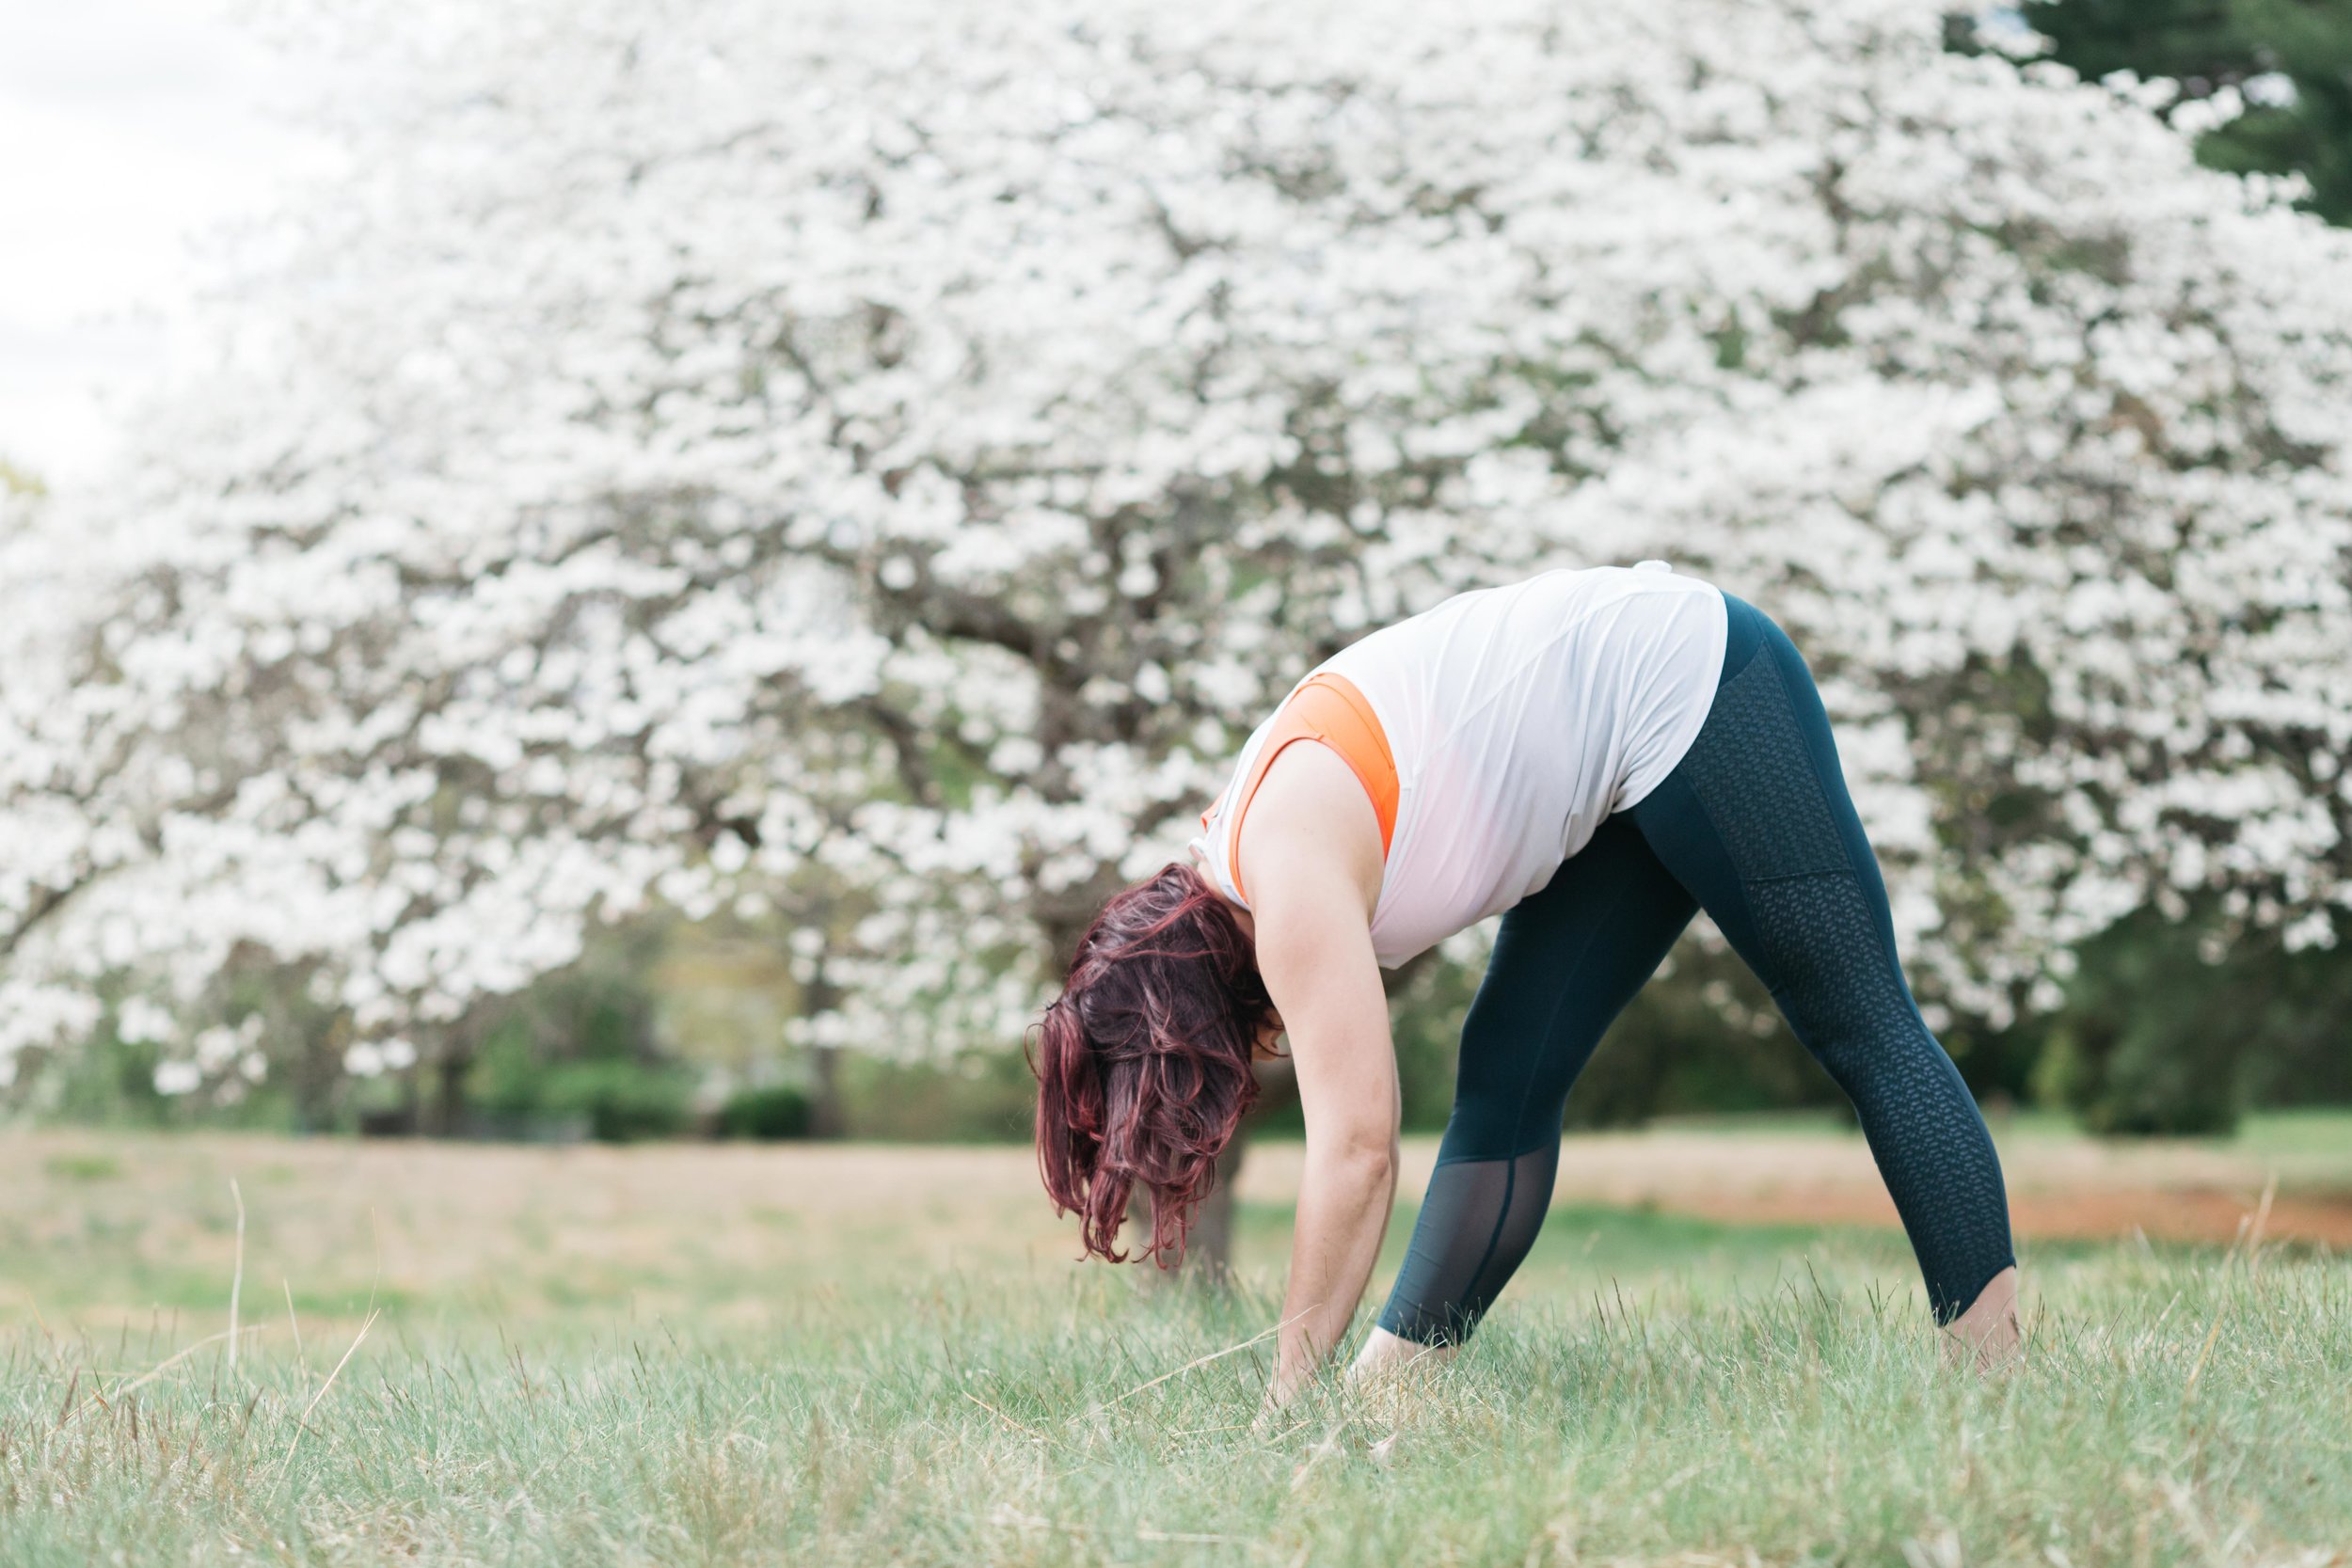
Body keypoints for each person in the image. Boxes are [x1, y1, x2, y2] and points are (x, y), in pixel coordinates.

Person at [1031, 562, 2022, 1405]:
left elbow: (1359, 1149)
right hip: (1609, 780)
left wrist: (1285, 1392)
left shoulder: (1279, 877)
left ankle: (1995, 1377)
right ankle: (1395, 1395)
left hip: (1700, 683)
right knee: (1507, 1073)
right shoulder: (1238, 862)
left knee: (1858, 1023)